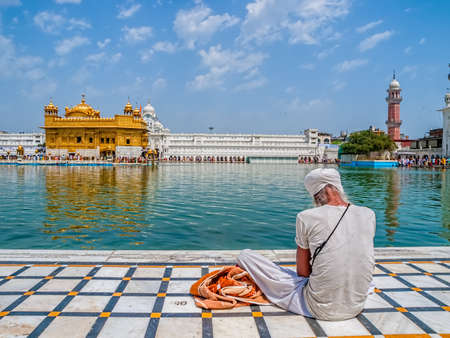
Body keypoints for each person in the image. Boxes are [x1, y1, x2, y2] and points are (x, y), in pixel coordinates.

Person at [237, 168, 376, 321]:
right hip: (356, 306)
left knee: (245, 256)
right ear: (338, 188)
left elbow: (302, 272)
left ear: (317, 196)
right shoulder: (368, 214)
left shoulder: (306, 217)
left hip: (319, 308)